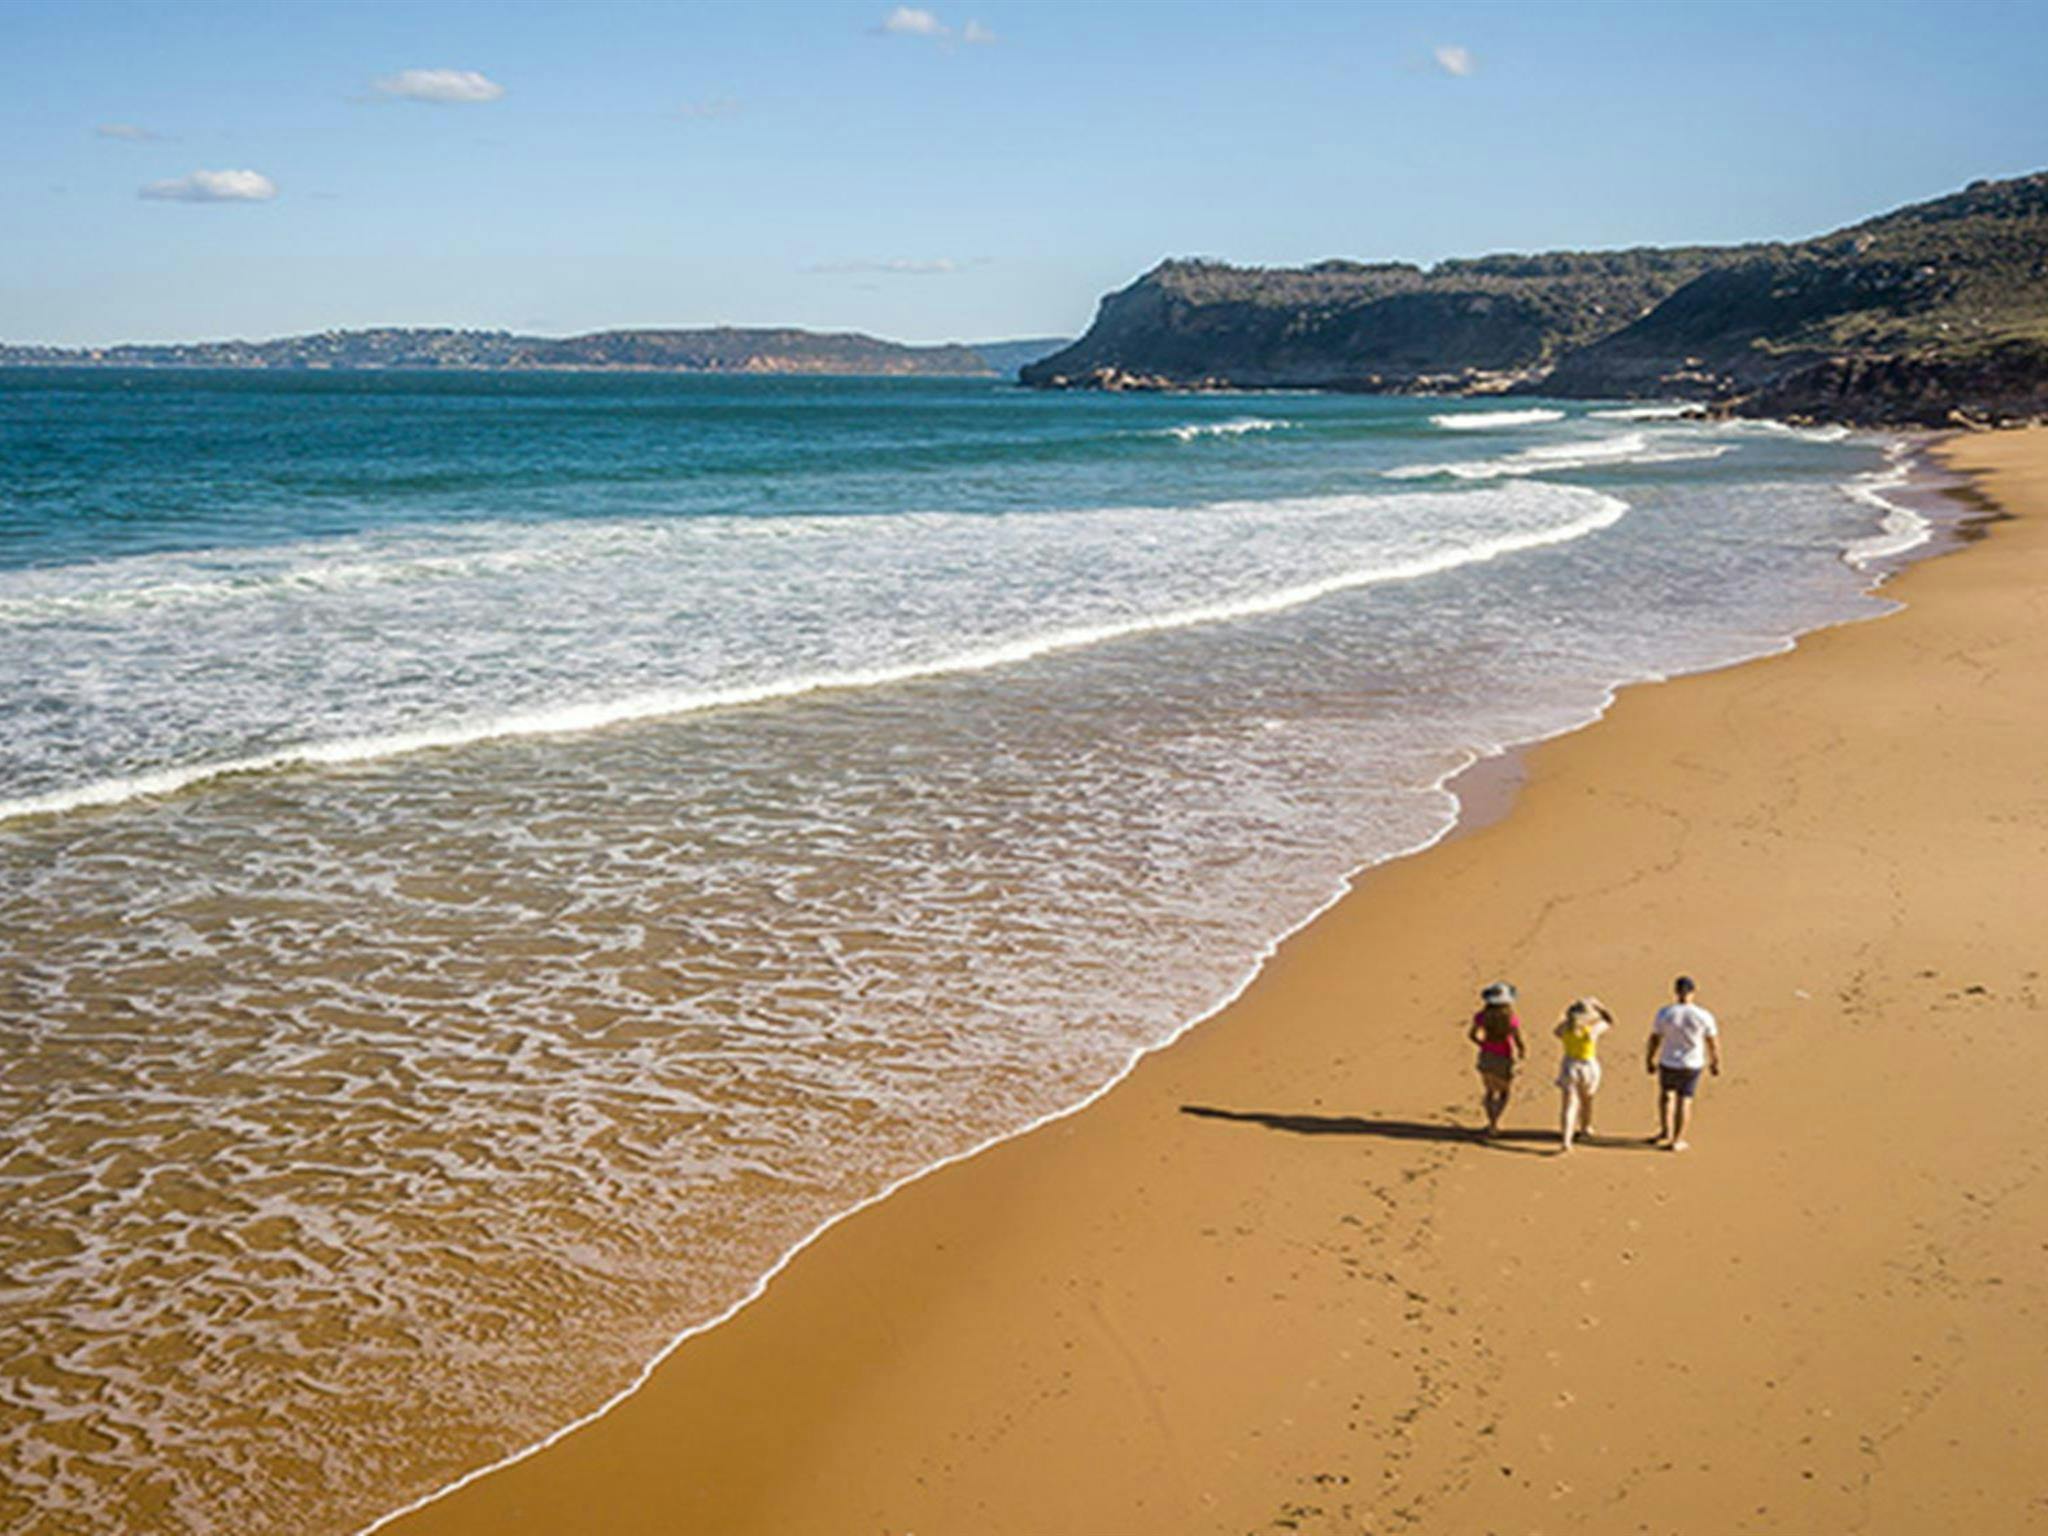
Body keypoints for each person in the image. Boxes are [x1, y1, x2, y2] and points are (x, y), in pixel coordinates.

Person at [1645, 974, 1721, 1151]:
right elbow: (1712, 1041)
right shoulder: (1703, 1015)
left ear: (1676, 992)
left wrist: (1649, 1058)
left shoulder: (1665, 1013)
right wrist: (1715, 1061)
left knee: (1666, 1096)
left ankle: (1665, 1131)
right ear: (1693, 992)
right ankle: (1677, 1139)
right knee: (1684, 1100)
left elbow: (1655, 1038)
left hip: (1669, 1061)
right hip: (1692, 1063)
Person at [1552, 996, 1612, 1152]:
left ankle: (1566, 1140)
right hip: (1588, 1066)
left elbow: (1556, 1031)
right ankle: (1585, 1127)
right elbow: (1609, 1020)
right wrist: (1599, 1006)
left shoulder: (1566, 1028)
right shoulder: (1592, 1029)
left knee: (1569, 1105)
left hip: (1569, 1064)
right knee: (1587, 1099)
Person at [1467, 982, 1525, 1137]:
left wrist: (1482, 1044)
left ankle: (1491, 1122)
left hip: (1486, 1056)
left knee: (1489, 1092)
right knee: (1504, 1093)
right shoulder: (1511, 1018)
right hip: (1503, 1058)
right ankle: (1495, 1122)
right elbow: (1517, 1039)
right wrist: (1521, 1052)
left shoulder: (1481, 1017)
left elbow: (1472, 1035)